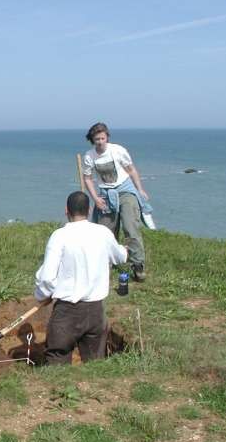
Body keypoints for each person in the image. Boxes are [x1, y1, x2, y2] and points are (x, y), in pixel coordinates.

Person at [33, 191, 128, 365]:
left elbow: (46, 278)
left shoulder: (59, 236)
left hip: (67, 313)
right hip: (96, 312)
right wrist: (126, 250)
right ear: (89, 209)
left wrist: (41, 296)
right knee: (94, 364)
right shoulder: (103, 233)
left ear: (66, 210)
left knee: (57, 360)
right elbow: (120, 256)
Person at [81, 122, 150, 282]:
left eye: (102, 138)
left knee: (130, 227)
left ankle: (137, 265)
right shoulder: (89, 156)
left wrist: (140, 189)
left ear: (107, 137)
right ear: (92, 140)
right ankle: (105, 263)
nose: (100, 141)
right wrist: (96, 198)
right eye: (96, 139)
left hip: (125, 189)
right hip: (105, 193)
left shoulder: (118, 150)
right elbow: (88, 178)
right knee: (106, 231)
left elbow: (131, 170)